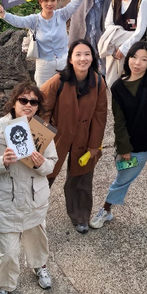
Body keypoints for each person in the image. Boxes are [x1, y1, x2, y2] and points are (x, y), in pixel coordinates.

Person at [0, 82, 57, 294]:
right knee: (7, 250)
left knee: (37, 241)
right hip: (6, 201)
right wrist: (1, 161)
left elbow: (52, 163)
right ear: (14, 102)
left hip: (33, 199)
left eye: (34, 102)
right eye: (23, 100)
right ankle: (4, 285)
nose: (28, 105)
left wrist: (40, 164)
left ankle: (40, 267)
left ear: (38, 106)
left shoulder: (42, 131)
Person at [89, 22, 147, 234]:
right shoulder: (118, 87)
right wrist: (124, 148)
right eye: (134, 57)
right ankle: (106, 209)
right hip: (135, 145)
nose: (137, 63)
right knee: (122, 178)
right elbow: (119, 122)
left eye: (144, 59)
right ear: (128, 59)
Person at [41, 39, 108, 233]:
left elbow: (100, 116)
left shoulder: (98, 82)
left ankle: (80, 216)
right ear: (70, 59)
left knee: (81, 179)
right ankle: (30, 214)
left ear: (92, 58)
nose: (83, 58)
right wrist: (46, 131)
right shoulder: (59, 80)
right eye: (78, 54)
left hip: (84, 138)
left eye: (87, 54)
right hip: (58, 136)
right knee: (44, 175)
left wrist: (94, 145)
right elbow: (42, 105)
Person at [0, 0, 88, 86]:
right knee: (43, 92)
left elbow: (74, 4)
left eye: (53, 0)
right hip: (44, 64)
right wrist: (4, 14)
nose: (49, 3)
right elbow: (18, 21)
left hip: (63, 61)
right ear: (40, 2)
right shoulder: (34, 20)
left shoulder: (62, 15)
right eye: (46, 0)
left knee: (67, 90)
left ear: (57, 1)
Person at [98, 0, 147, 88]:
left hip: (135, 45)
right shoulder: (115, 2)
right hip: (115, 46)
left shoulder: (141, 1)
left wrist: (124, 47)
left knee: (130, 80)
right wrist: (120, 37)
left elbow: (140, 31)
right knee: (112, 82)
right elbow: (108, 24)